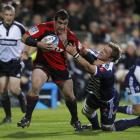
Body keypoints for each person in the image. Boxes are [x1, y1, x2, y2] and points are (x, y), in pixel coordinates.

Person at [17, 9, 91, 131]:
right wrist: (39, 44)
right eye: (60, 23)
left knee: (70, 96)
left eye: (65, 23)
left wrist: (94, 59)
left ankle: (75, 120)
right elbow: (24, 38)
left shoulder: (70, 36)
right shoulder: (43, 27)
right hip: (42, 64)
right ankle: (27, 118)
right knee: (35, 86)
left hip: (60, 68)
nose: (62, 26)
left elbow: (82, 51)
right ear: (54, 21)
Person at [66, 41, 140, 131]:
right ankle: (95, 127)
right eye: (103, 49)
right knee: (86, 112)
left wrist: (75, 54)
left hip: (108, 101)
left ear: (110, 58)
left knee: (108, 128)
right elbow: (84, 50)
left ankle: (137, 121)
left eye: (105, 52)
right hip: (95, 94)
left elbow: (89, 68)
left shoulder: (108, 69)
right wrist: (71, 41)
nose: (101, 51)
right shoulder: (98, 55)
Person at [0, 5, 26, 123]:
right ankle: (8, 117)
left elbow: (30, 40)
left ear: (14, 16)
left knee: (14, 89)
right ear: (2, 15)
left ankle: (21, 97)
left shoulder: (20, 27)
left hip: (14, 62)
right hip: (1, 62)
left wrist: (25, 52)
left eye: (11, 15)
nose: (8, 17)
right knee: (2, 90)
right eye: (6, 15)